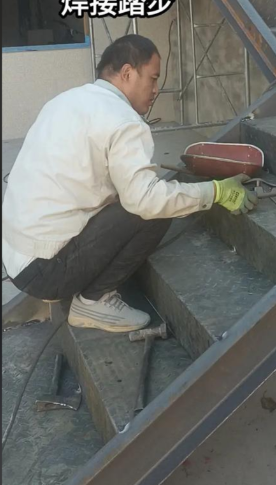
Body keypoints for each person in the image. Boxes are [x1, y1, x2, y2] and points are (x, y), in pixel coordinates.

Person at [2, 35, 257, 333]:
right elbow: (146, 201)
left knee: (137, 195)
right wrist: (216, 191)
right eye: (152, 78)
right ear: (127, 73)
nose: (156, 89)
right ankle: (94, 301)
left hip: (16, 255)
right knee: (151, 211)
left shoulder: (66, 100)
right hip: (47, 270)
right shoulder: (123, 120)